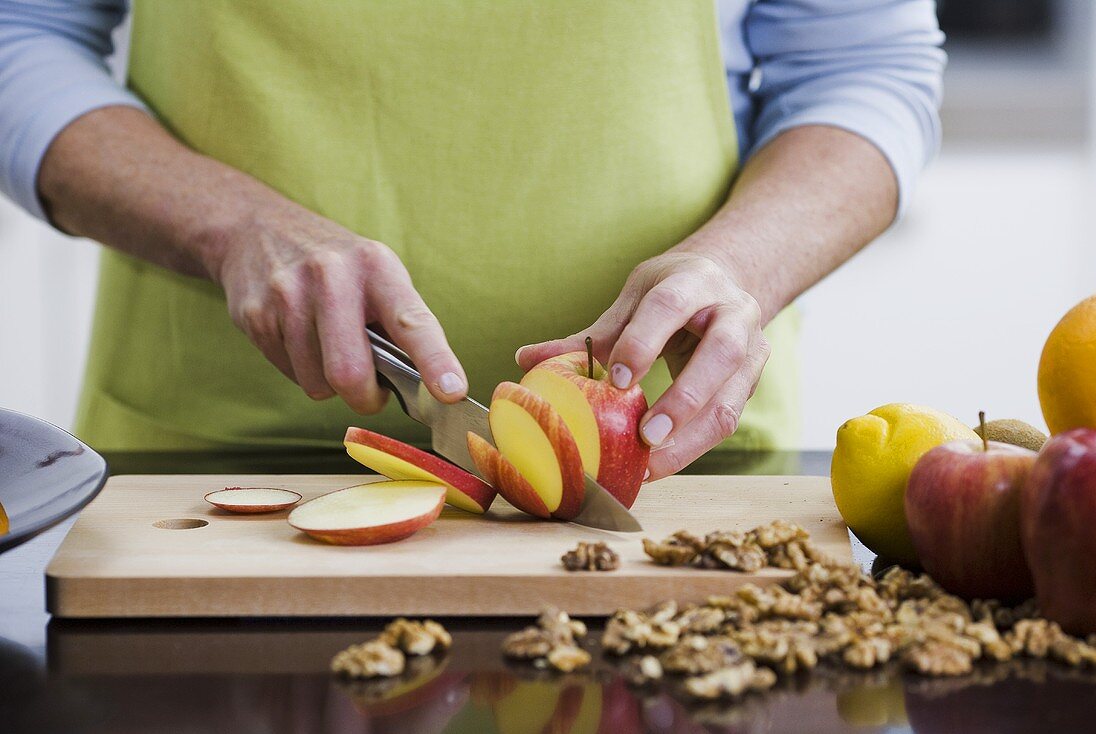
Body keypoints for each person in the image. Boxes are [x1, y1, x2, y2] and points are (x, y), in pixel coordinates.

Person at [0, 1, 944, 480]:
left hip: (674, 480)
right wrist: (231, 227)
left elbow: (863, 69)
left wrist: (741, 265)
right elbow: (20, 33)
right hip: (209, 480)